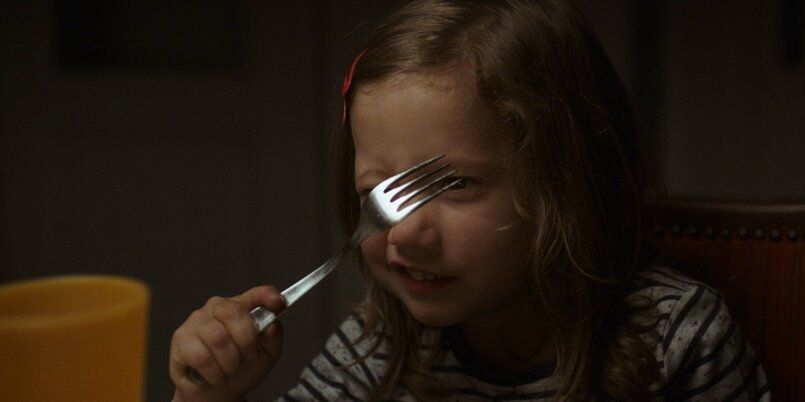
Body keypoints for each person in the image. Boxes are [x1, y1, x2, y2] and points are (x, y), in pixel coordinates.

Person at [169, 0, 770, 401]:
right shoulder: (382, 344)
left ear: (568, 182)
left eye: (454, 184)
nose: (403, 232)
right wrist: (208, 396)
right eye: (378, 190)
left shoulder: (678, 335)